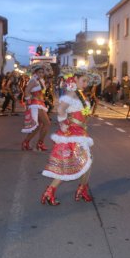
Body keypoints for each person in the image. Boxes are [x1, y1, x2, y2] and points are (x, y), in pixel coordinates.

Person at [40, 68, 94, 205]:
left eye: (87, 81)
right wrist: (63, 123)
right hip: (73, 134)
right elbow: (61, 109)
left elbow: (84, 112)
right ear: (75, 79)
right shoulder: (72, 93)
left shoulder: (80, 94)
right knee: (79, 163)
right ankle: (77, 190)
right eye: (83, 80)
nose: (86, 83)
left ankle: (54, 191)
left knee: (84, 162)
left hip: (80, 131)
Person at [21, 64, 51, 151]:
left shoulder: (40, 80)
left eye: (42, 72)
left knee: (39, 125)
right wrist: (30, 99)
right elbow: (26, 91)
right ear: (35, 72)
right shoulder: (33, 80)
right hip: (36, 104)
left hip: (40, 103)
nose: (41, 74)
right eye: (39, 72)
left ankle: (26, 142)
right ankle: (40, 143)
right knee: (47, 123)